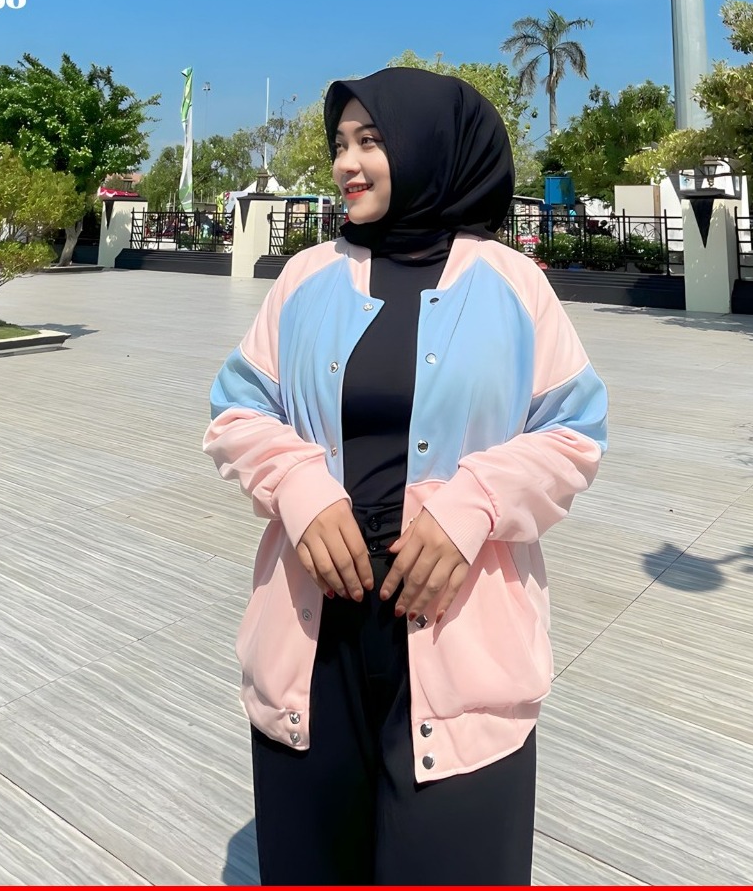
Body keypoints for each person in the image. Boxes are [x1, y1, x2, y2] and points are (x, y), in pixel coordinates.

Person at [203, 67, 608, 886]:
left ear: (427, 148)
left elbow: (574, 433)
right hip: (316, 630)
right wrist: (299, 486)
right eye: (340, 145)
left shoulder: (513, 285)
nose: (345, 164)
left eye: (370, 141)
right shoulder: (306, 278)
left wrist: (474, 504)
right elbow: (237, 410)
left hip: (463, 626)